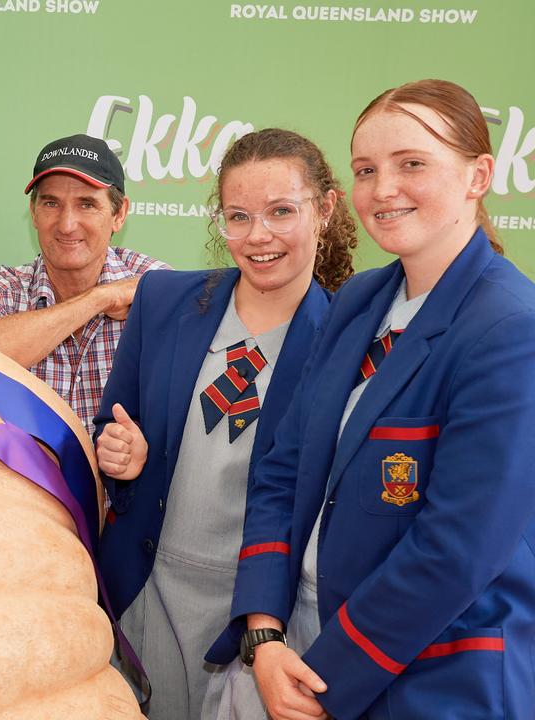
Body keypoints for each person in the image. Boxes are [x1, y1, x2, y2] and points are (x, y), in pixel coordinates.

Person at [216, 79, 535, 719]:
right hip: (297, 643)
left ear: (479, 176)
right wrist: (264, 632)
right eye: (366, 170)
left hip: (429, 676)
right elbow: (283, 467)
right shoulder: (359, 300)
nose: (382, 189)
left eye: (411, 163)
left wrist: (319, 681)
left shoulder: (510, 329)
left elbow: (456, 550)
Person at [93, 128, 356, 719]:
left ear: (326, 209)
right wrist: (119, 451)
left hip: (263, 619)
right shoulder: (162, 301)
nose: (258, 236)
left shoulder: (349, 339)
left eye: (281, 212)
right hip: (144, 596)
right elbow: (105, 424)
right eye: (238, 216)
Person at [0, 133, 169, 434]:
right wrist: (99, 299)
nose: (66, 224)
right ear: (33, 212)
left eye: (87, 204)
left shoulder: (157, 282)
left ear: (119, 213)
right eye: (51, 203)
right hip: (18, 480)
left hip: (124, 480)